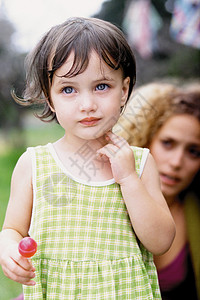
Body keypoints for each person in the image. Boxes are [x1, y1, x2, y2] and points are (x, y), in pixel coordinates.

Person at [0, 18, 175, 299]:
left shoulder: (140, 163)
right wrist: (8, 249)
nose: (88, 105)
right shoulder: (34, 164)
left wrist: (129, 179)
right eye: (68, 89)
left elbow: (161, 241)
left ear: (124, 90)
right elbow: (12, 229)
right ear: (49, 97)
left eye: (102, 86)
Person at [116, 82, 200, 299]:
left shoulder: (193, 213)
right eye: (168, 143)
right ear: (145, 139)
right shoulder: (104, 197)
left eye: (194, 151)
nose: (176, 162)